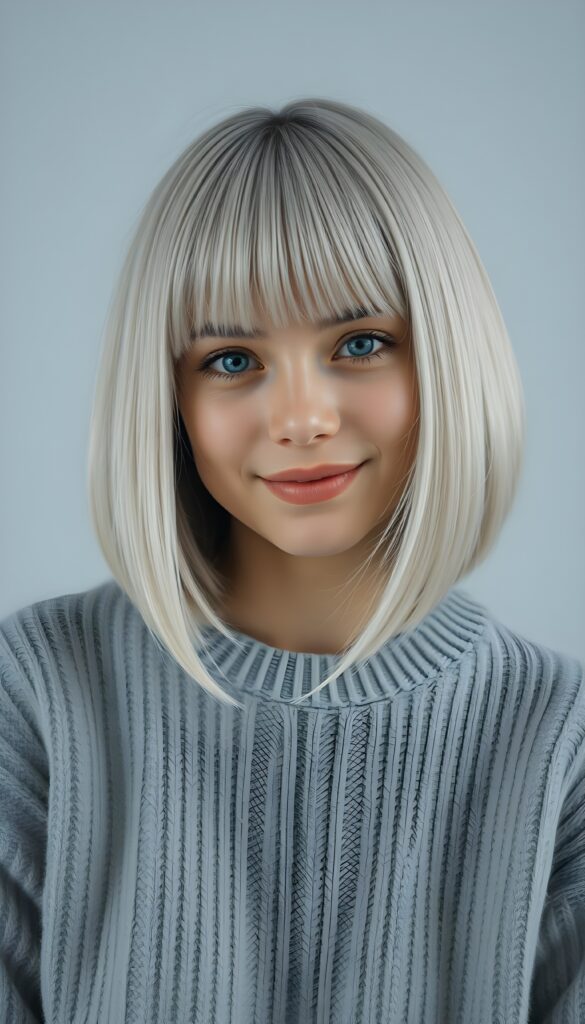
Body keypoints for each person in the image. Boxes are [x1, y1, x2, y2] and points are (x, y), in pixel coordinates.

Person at [1, 99, 583, 1023]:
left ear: (445, 357)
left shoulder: (561, 741)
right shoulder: (38, 695)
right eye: (231, 359)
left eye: (359, 344)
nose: (301, 417)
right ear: (168, 398)